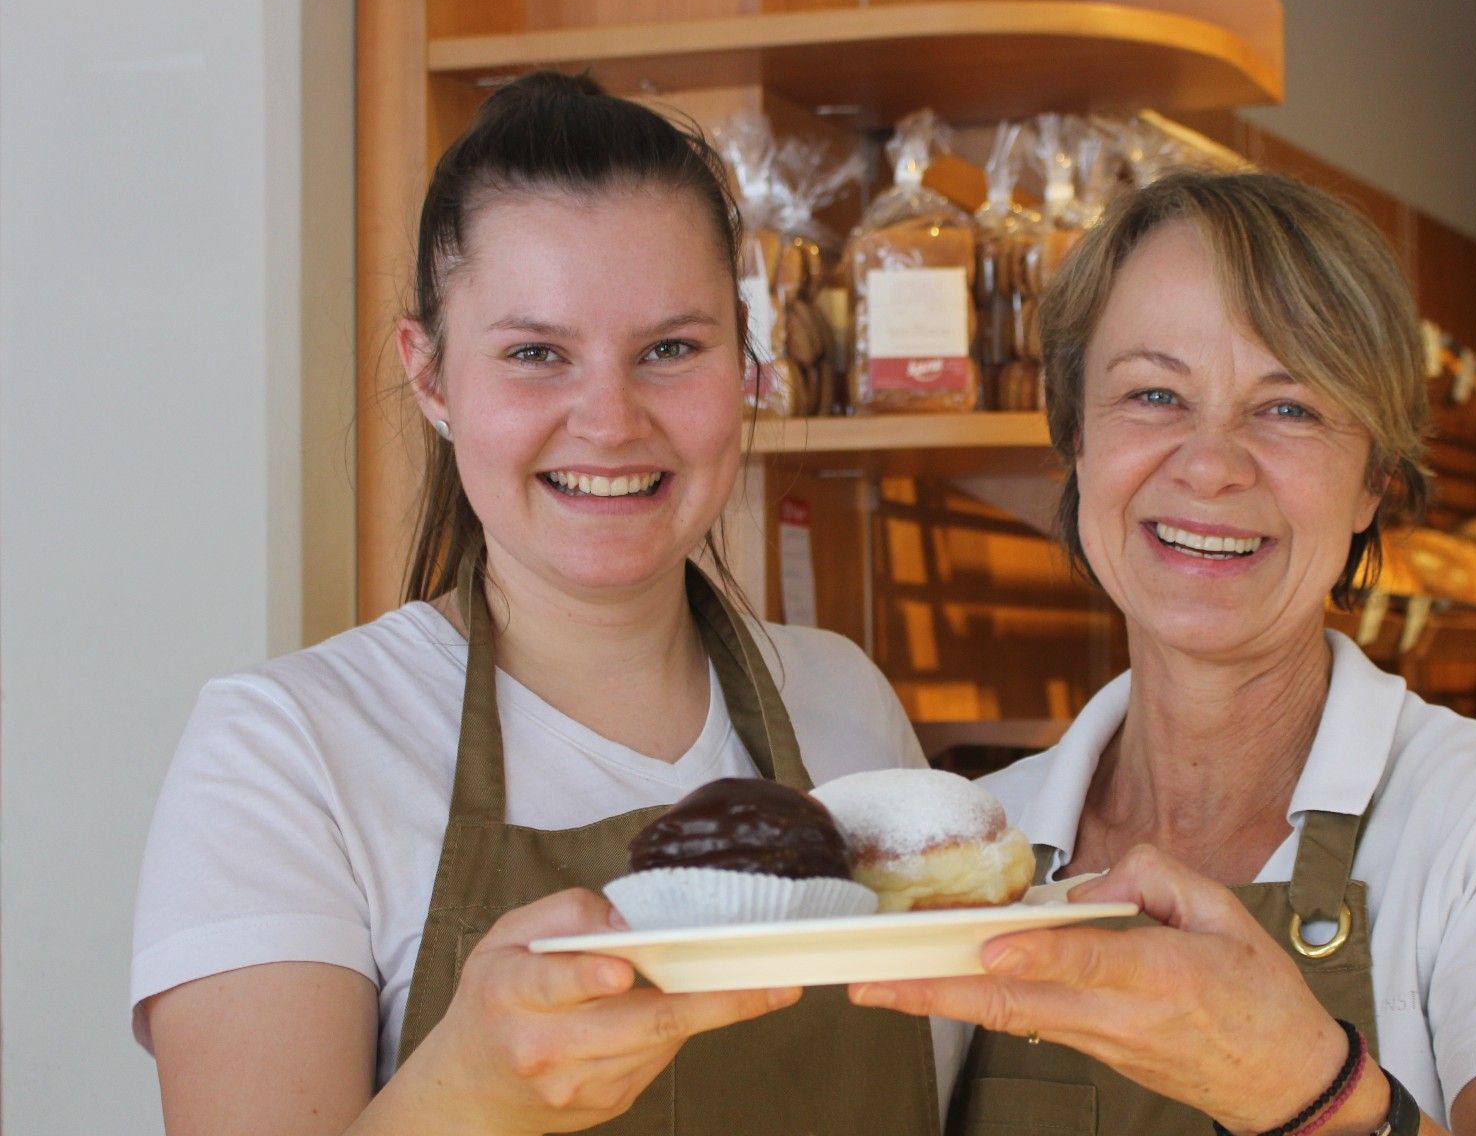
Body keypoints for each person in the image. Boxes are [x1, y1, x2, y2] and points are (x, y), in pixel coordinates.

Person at [131, 71, 963, 1135]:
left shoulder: (847, 703)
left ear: (743, 366)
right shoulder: (289, 753)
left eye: (671, 349)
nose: (610, 422)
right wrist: (467, 1090)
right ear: (431, 377)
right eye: (536, 355)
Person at [848, 170, 1476, 1135]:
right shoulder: (985, 844)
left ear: (1374, 480)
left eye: (1289, 408)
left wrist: (1308, 1089)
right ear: (1077, 444)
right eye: (1154, 394)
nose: (1211, 463)